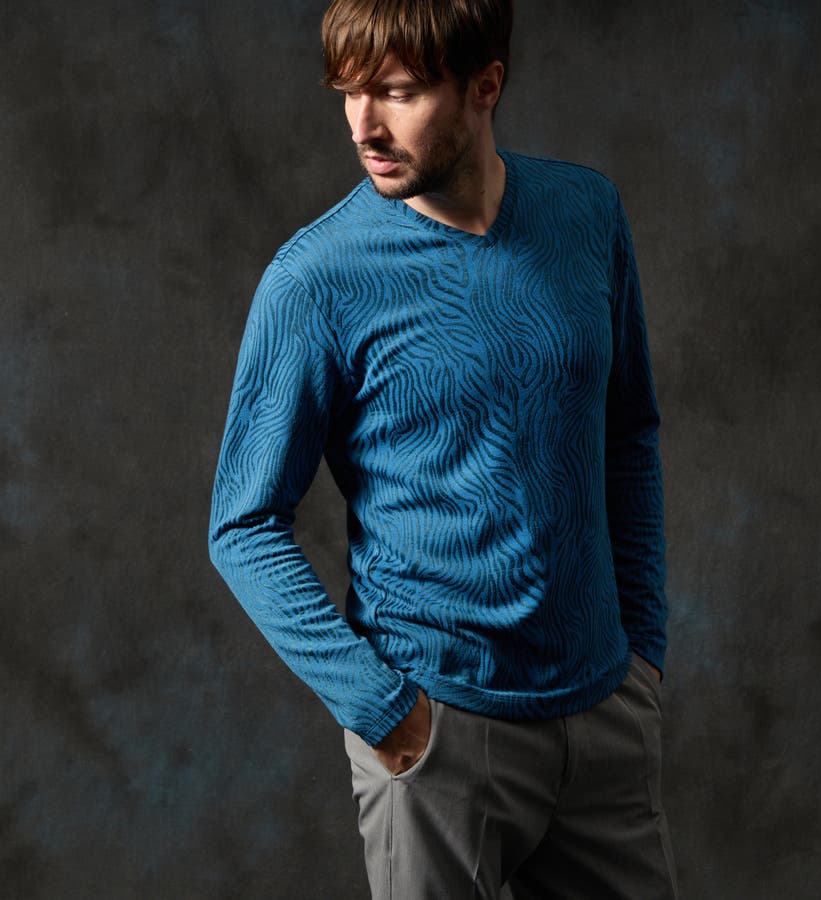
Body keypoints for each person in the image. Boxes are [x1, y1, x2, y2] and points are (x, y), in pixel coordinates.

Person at [209, 0, 677, 896]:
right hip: (438, 733)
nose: (363, 127)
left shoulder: (587, 212)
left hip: (603, 720)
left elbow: (627, 433)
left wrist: (643, 653)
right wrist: (387, 714)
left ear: (484, 87)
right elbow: (242, 526)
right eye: (348, 93)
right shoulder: (315, 280)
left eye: (397, 92)